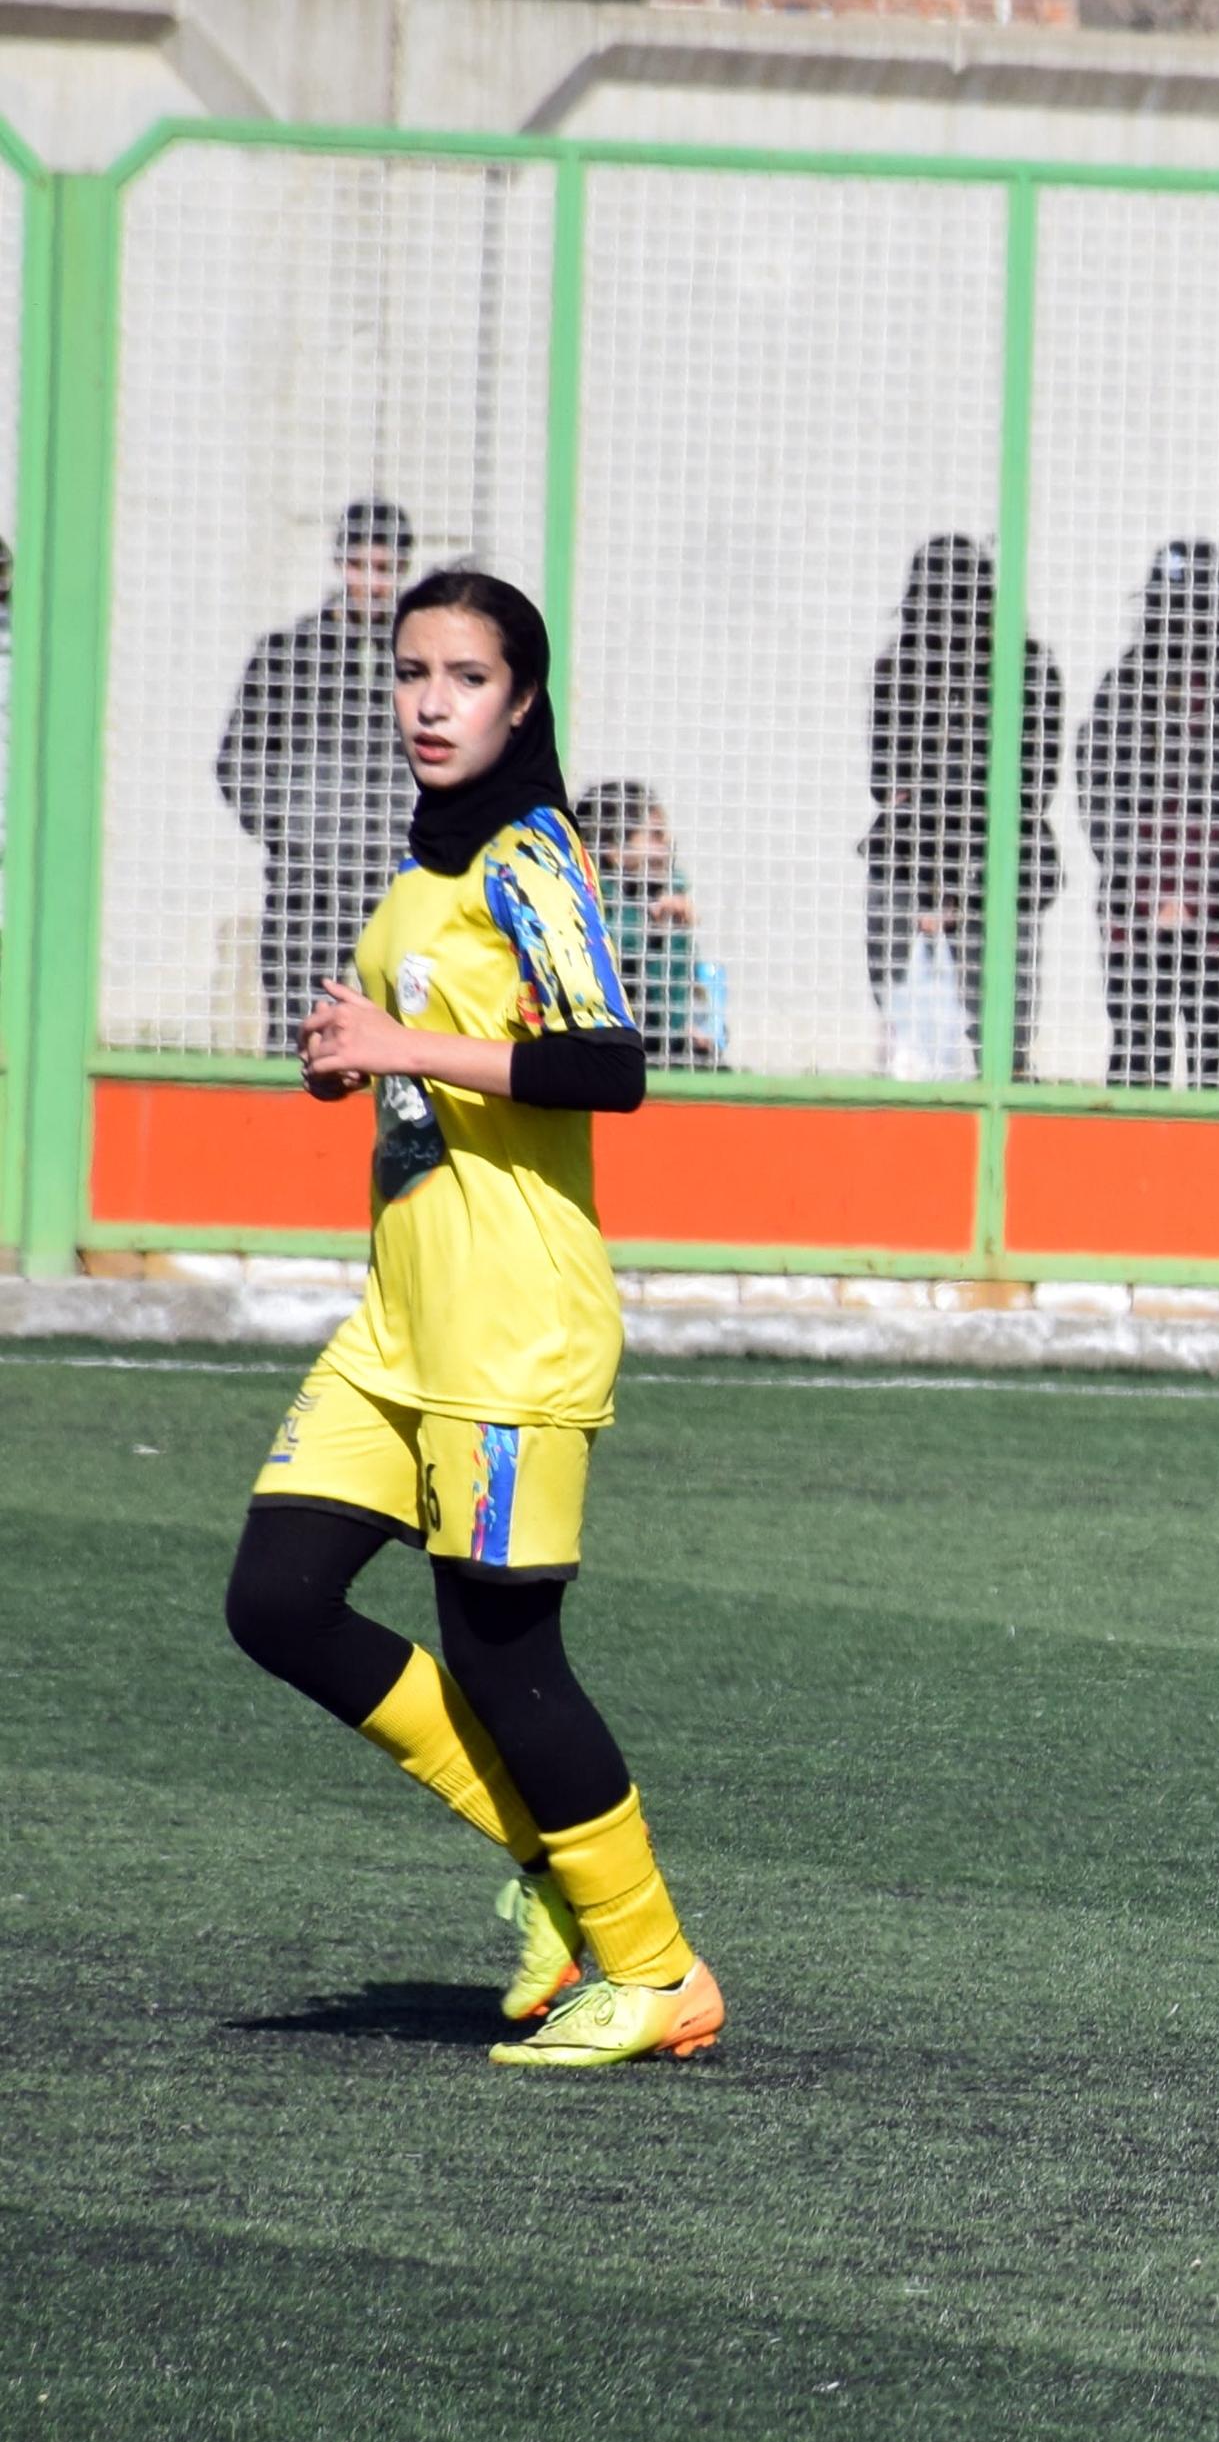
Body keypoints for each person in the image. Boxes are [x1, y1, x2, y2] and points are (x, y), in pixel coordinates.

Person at [221, 570, 723, 2071]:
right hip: (401, 1325)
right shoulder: (420, 867)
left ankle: (654, 1969)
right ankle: (564, 1883)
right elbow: (431, 1061)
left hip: (510, 1327)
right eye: (413, 672)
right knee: (280, 1603)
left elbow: (611, 1067)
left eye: (468, 677)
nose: (433, 701)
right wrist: (354, 1061)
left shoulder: (533, 858)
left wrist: (406, 1040)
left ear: (523, 699)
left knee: (505, 1657)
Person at [1074, 539, 1219, 1091]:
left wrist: (1207, 893)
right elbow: (1099, 795)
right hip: (1139, 917)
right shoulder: (1124, 687)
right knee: (1136, 1061)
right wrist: (1154, 889)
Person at [219, 498, 425, 1053]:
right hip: (305, 876)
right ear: (340, 564)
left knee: (404, 1026)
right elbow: (239, 758)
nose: (371, 583)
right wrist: (289, 832)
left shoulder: (422, 657)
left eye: (384, 570)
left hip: (393, 876)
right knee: (294, 1026)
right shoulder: (289, 652)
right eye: (360, 566)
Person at [859, 534, 1058, 1082]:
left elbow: (1033, 785)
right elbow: (887, 780)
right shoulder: (898, 670)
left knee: (1002, 1027)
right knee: (911, 1026)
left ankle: (1005, 1082)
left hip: (1003, 856)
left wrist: (962, 881)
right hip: (906, 855)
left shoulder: (1029, 667)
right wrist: (929, 881)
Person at [571, 781, 726, 1073]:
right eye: (655, 835)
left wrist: (693, 1027)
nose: (667, 843)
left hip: (666, 1048)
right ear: (613, 848)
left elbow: (683, 993)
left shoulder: (666, 896)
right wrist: (648, 928)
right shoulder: (587, 896)